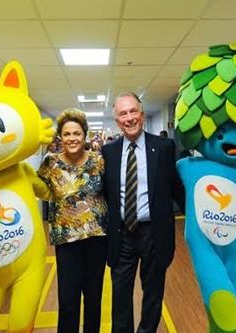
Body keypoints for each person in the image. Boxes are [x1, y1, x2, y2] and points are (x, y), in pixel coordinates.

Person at [101, 92, 184, 333]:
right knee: (121, 297)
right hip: (122, 234)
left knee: (153, 295)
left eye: (133, 111)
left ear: (142, 114)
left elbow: (176, 187)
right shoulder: (109, 152)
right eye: (123, 113)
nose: (129, 118)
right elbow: (104, 193)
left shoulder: (164, 147)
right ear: (117, 120)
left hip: (154, 234)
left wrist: (198, 219)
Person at [38, 108, 107, 333]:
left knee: (93, 296)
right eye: (67, 134)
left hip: (96, 238)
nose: (72, 139)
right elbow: (36, 188)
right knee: (68, 299)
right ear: (60, 137)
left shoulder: (99, 161)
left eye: (76, 133)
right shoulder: (51, 164)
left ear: (84, 135)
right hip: (66, 241)